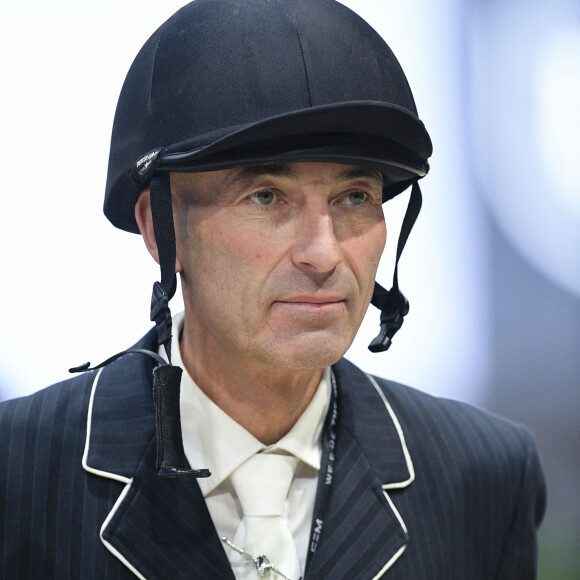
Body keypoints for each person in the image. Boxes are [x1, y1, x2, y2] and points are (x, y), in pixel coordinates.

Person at [0, 1, 546, 579]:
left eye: (354, 197)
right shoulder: (18, 471)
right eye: (265, 197)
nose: (323, 253)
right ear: (160, 229)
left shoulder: (484, 474)